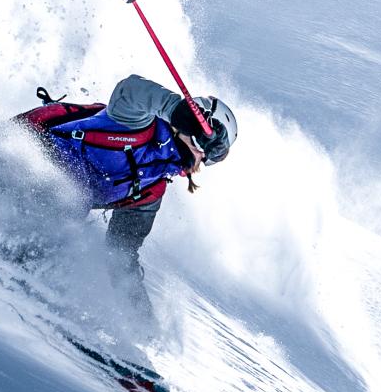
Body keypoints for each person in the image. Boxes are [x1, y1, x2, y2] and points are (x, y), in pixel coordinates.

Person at [17, 73, 236, 274]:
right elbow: (130, 89)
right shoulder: (136, 122)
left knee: (74, 225)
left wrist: (137, 312)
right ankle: (18, 252)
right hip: (25, 152)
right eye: (211, 144)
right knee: (73, 199)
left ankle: (24, 264)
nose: (204, 156)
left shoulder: (151, 191)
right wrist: (174, 109)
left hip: (42, 207)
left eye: (216, 155)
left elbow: (122, 255)